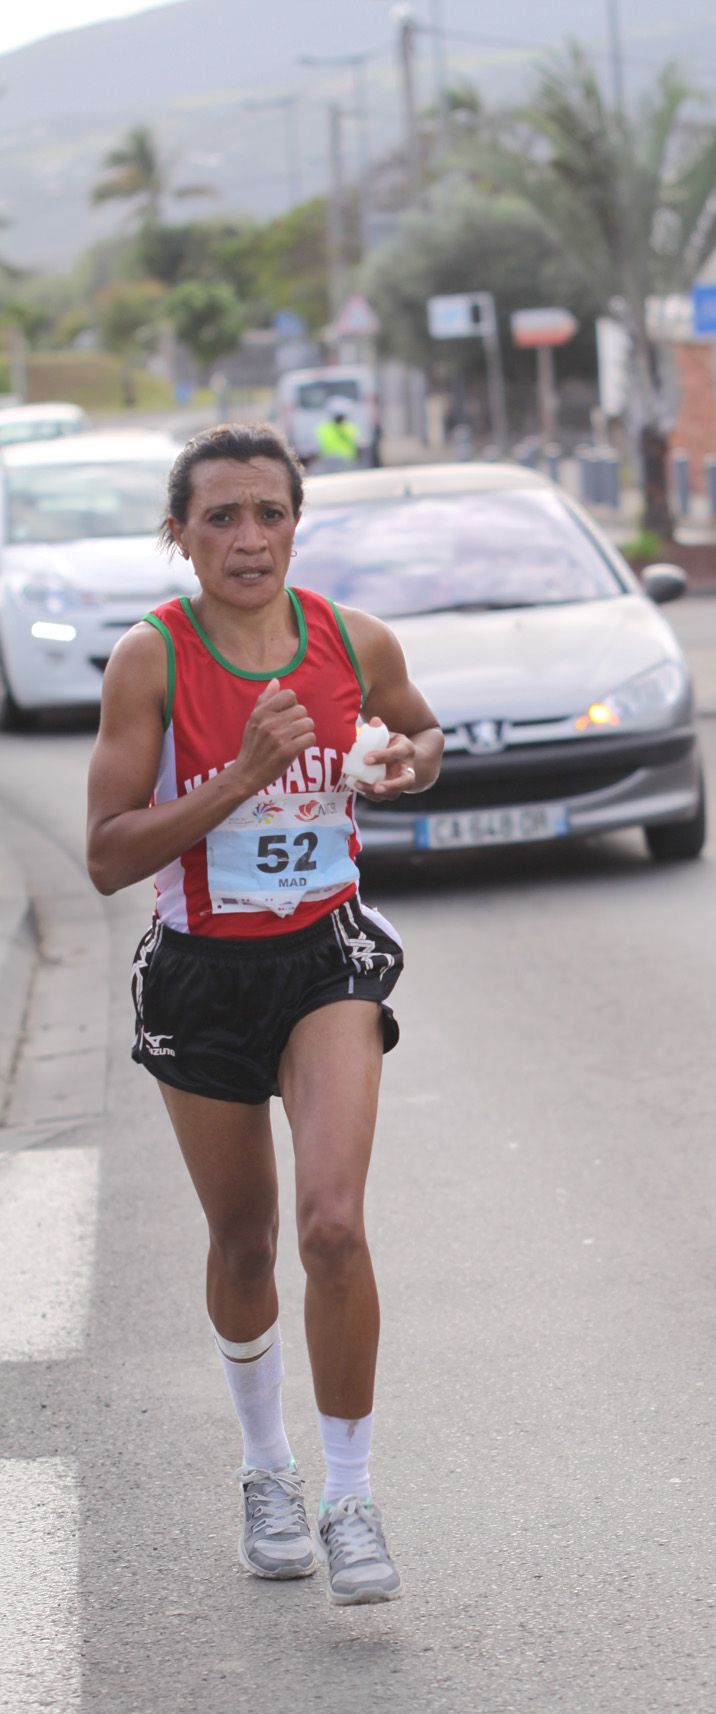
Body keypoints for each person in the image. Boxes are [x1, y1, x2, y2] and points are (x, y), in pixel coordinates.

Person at [86, 423, 443, 1603]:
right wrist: (239, 774)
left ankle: (351, 1494)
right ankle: (266, 1468)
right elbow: (102, 855)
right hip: (200, 972)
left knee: (332, 1225)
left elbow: (420, 730)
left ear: (297, 521)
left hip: (321, 956)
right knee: (244, 1241)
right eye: (220, 517)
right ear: (180, 535)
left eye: (268, 514)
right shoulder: (152, 660)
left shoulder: (349, 638)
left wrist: (404, 762)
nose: (248, 537)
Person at [314, 399, 360, 472]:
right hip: (345, 459)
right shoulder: (349, 427)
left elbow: (316, 445)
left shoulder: (324, 428)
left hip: (330, 459)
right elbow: (357, 443)